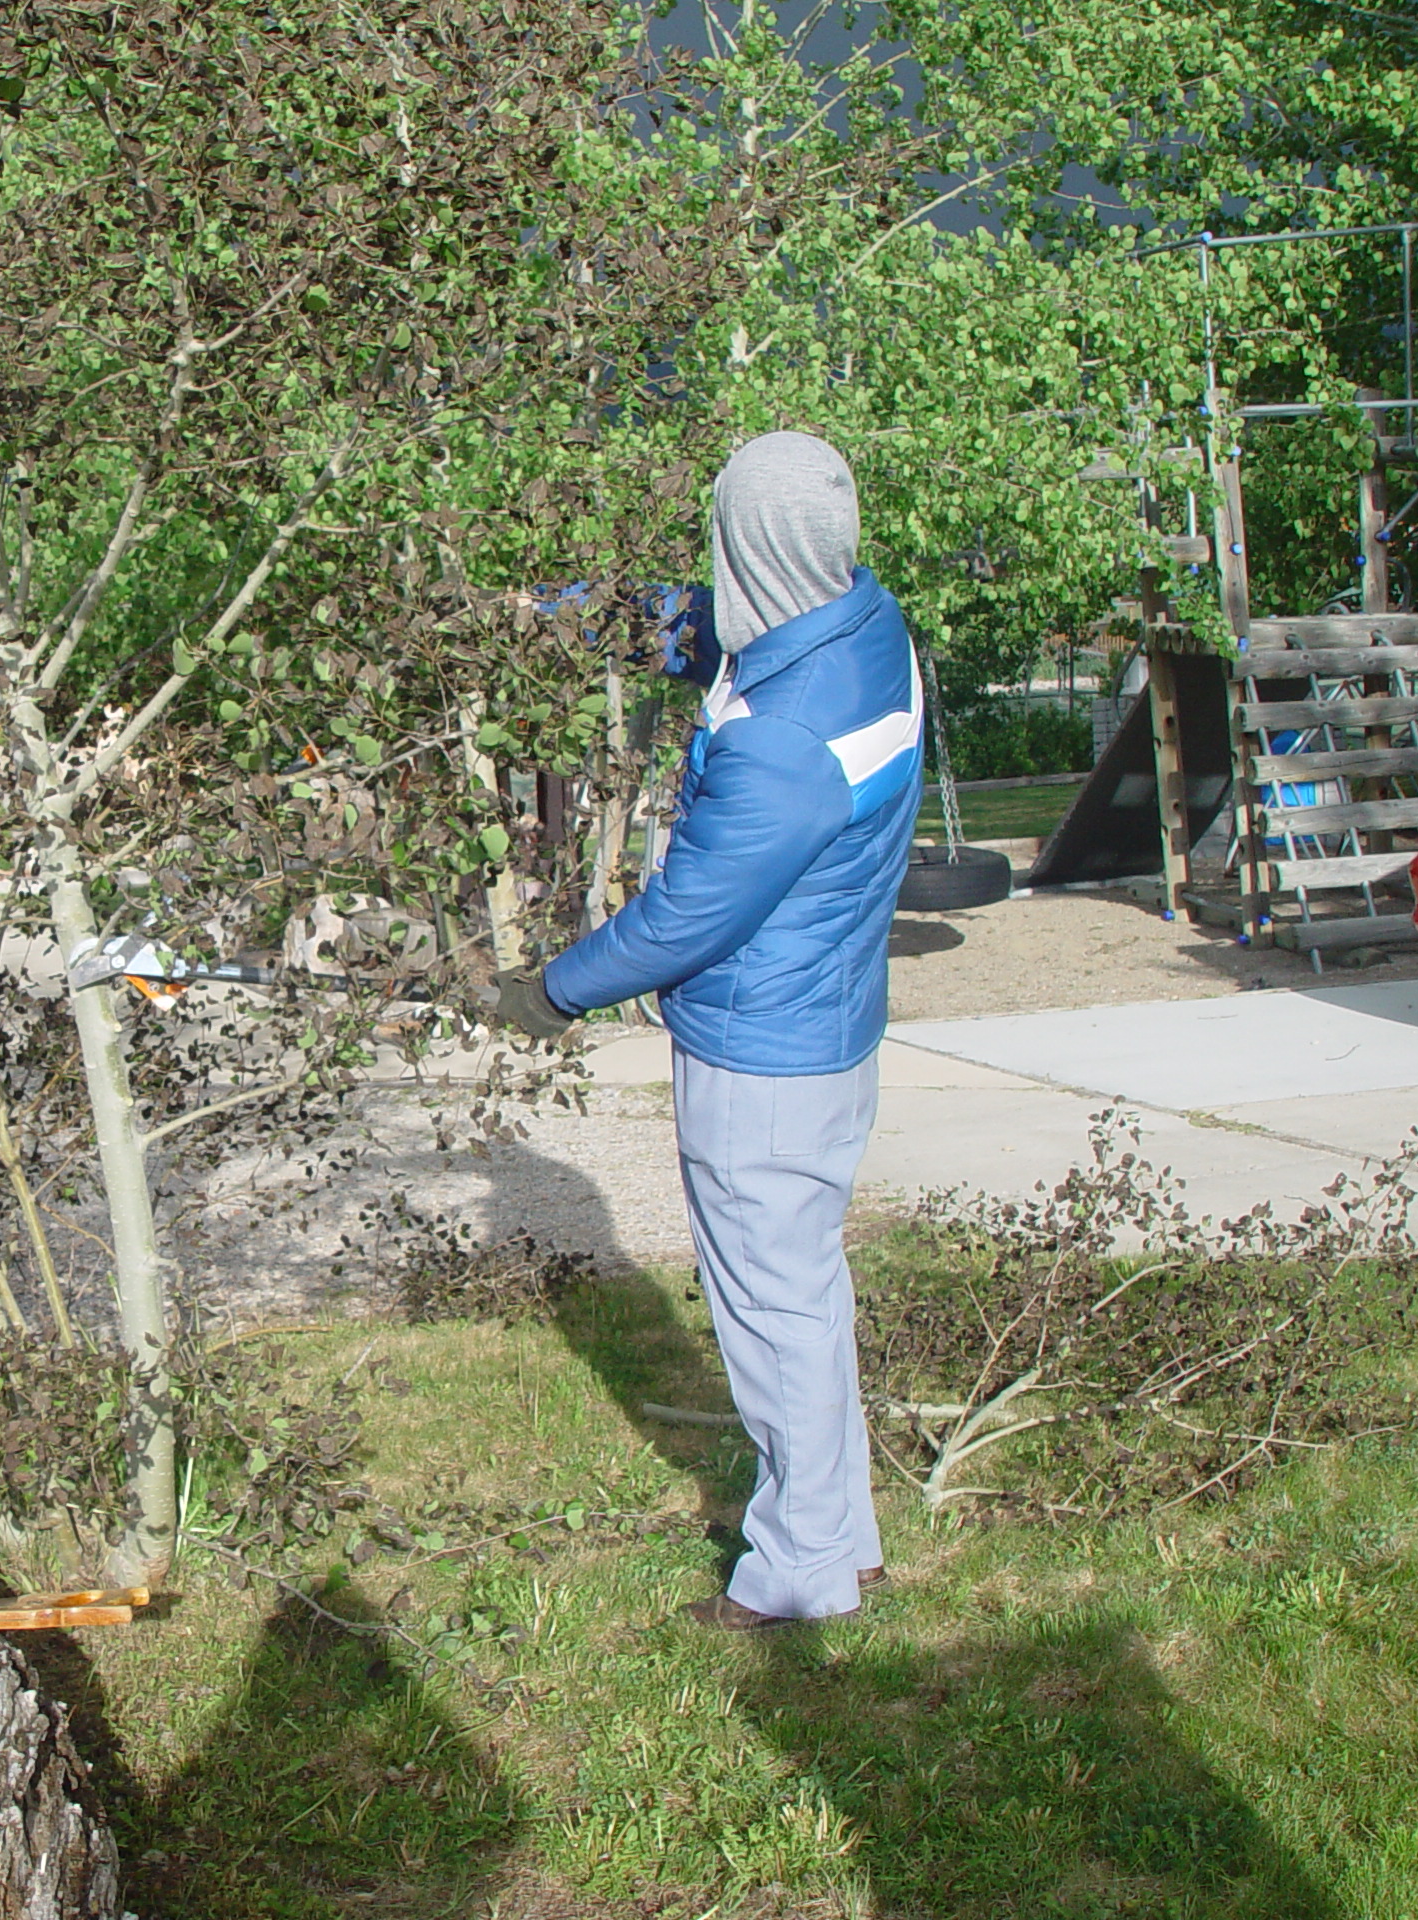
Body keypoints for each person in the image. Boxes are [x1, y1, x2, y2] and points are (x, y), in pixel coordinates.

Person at [492, 430, 920, 1629]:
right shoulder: (854, 622)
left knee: (772, 1318)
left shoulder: (787, 744)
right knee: (803, 1299)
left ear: (752, 546)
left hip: (762, 1056)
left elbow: (686, 916)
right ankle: (845, 1538)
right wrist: (551, 611)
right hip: (822, 1026)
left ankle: (799, 1574)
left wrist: (550, 991)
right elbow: (699, 626)